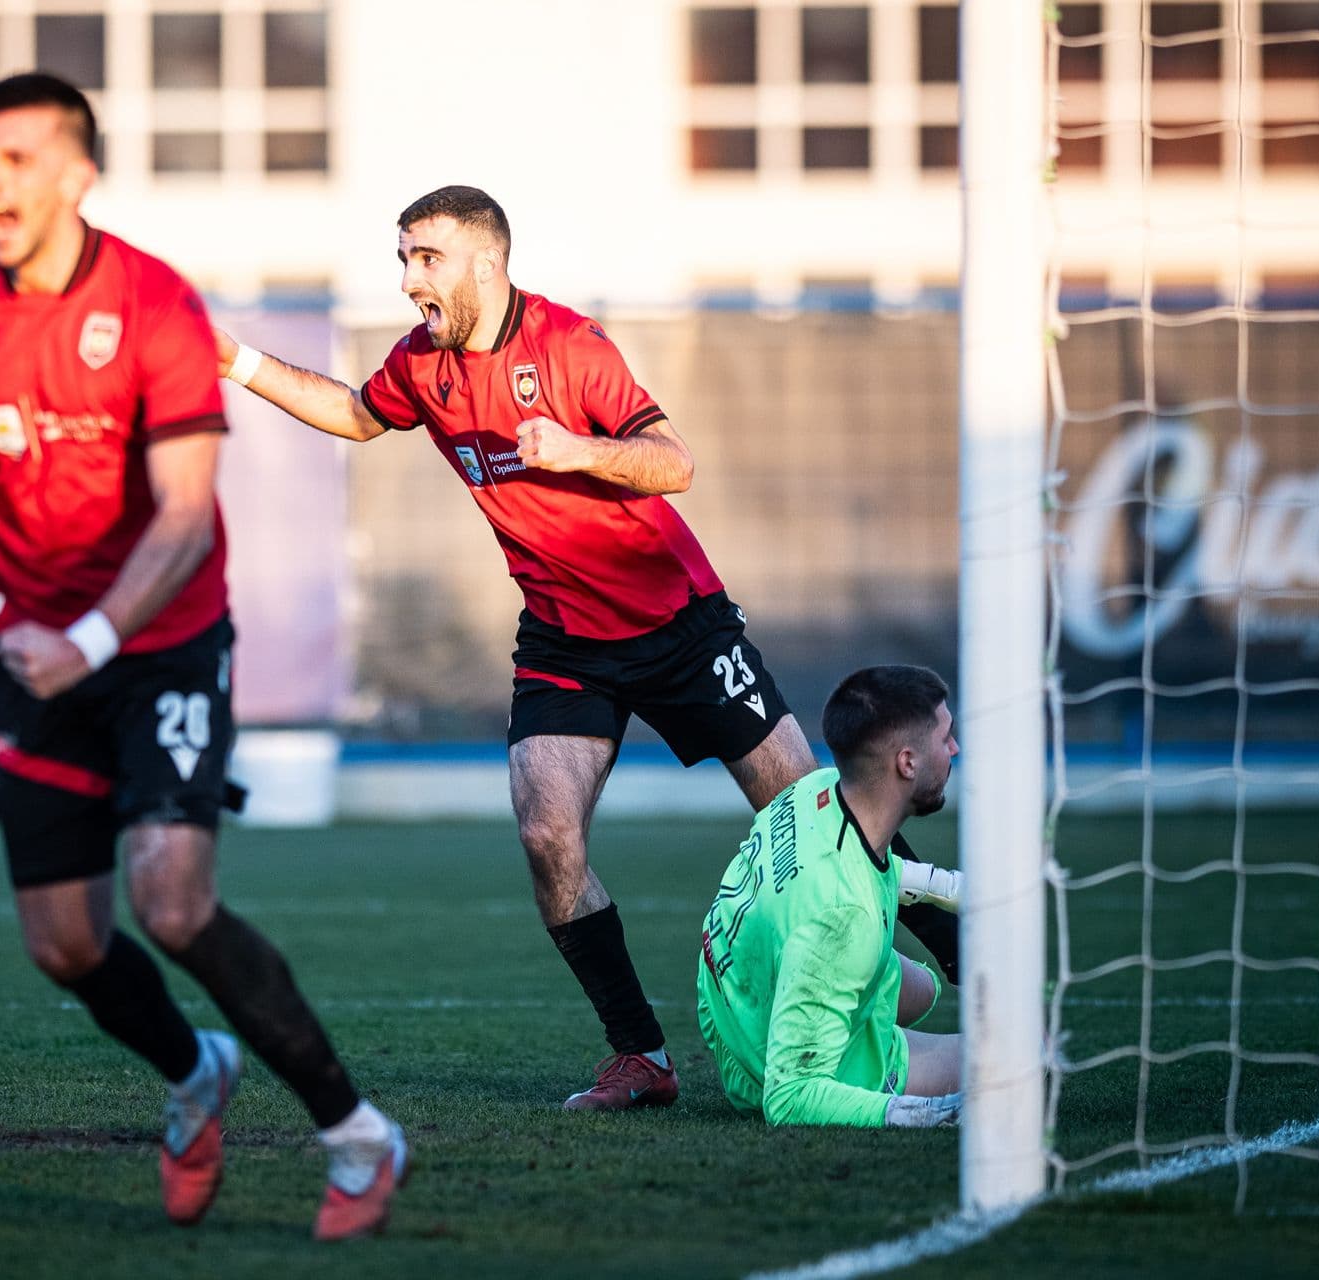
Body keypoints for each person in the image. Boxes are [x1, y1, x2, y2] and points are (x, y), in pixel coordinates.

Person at [0, 74, 405, 1240]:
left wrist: (94, 639)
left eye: (14, 159)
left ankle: (356, 1133)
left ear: (77, 174)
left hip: (164, 649)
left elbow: (185, 516)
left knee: (173, 901)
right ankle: (194, 1069)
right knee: (62, 943)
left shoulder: (155, 304)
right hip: (34, 659)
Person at [213, 185, 821, 1110]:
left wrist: (579, 450)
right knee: (546, 834)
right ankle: (641, 1057)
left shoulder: (570, 345)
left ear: (488, 263)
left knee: (813, 820)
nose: (410, 279)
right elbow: (355, 413)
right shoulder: (422, 363)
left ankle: (958, 965)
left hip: (677, 624)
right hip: (563, 637)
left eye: (428, 259)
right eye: (404, 258)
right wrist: (239, 361)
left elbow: (675, 462)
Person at [696, 664, 964, 1128]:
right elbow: (789, 1099)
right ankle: (870, 1064)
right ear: (907, 763)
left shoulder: (815, 789)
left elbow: (870, 867)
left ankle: (847, 1016)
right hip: (764, 1067)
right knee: (1025, 1056)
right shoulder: (844, 920)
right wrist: (922, 1115)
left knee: (923, 990)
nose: (955, 749)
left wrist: (951, 887)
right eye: (945, 738)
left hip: (732, 1009)